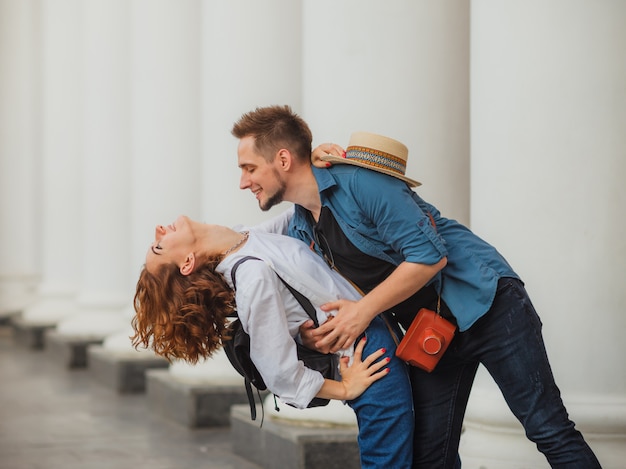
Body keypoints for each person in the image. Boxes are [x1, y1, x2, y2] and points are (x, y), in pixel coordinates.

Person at [231, 105, 602, 469]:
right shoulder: (300, 229)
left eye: (249, 168)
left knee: (547, 428)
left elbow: (429, 256)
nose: (244, 181)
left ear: (282, 159)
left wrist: (362, 311)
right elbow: (238, 242)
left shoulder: (362, 182)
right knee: (429, 457)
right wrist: (312, 337)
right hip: (433, 334)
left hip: (489, 304)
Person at [131, 215, 415, 469]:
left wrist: (316, 163)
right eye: (159, 246)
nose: (158, 229)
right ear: (187, 263)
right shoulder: (251, 275)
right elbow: (279, 372)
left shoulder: (245, 240)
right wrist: (345, 388)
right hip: (368, 357)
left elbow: (300, 209)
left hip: (374, 331)